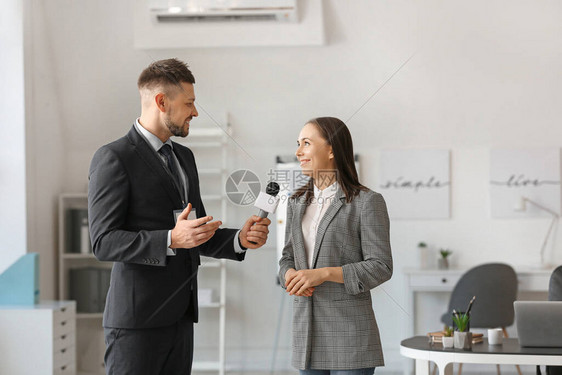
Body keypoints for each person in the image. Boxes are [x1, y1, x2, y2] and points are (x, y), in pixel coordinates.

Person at [88, 58, 271, 375]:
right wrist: (171, 238)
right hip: (136, 323)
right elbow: (104, 242)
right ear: (161, 101)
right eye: (189, 103)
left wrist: (238, 240)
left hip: (180, 318)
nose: (195, 113)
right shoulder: (114, 157)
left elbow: (194, 232)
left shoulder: (183, 157)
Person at [278, 117, 393, 375]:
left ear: (331, 149)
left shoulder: (367, 202)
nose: (298, 152)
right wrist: (289, 275)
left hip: (350, 334)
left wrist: (325, 273)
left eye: (306, 143)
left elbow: (381, 266)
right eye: (298, 144)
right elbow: (287, 257)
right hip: (306, 332)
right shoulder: (296, 203)